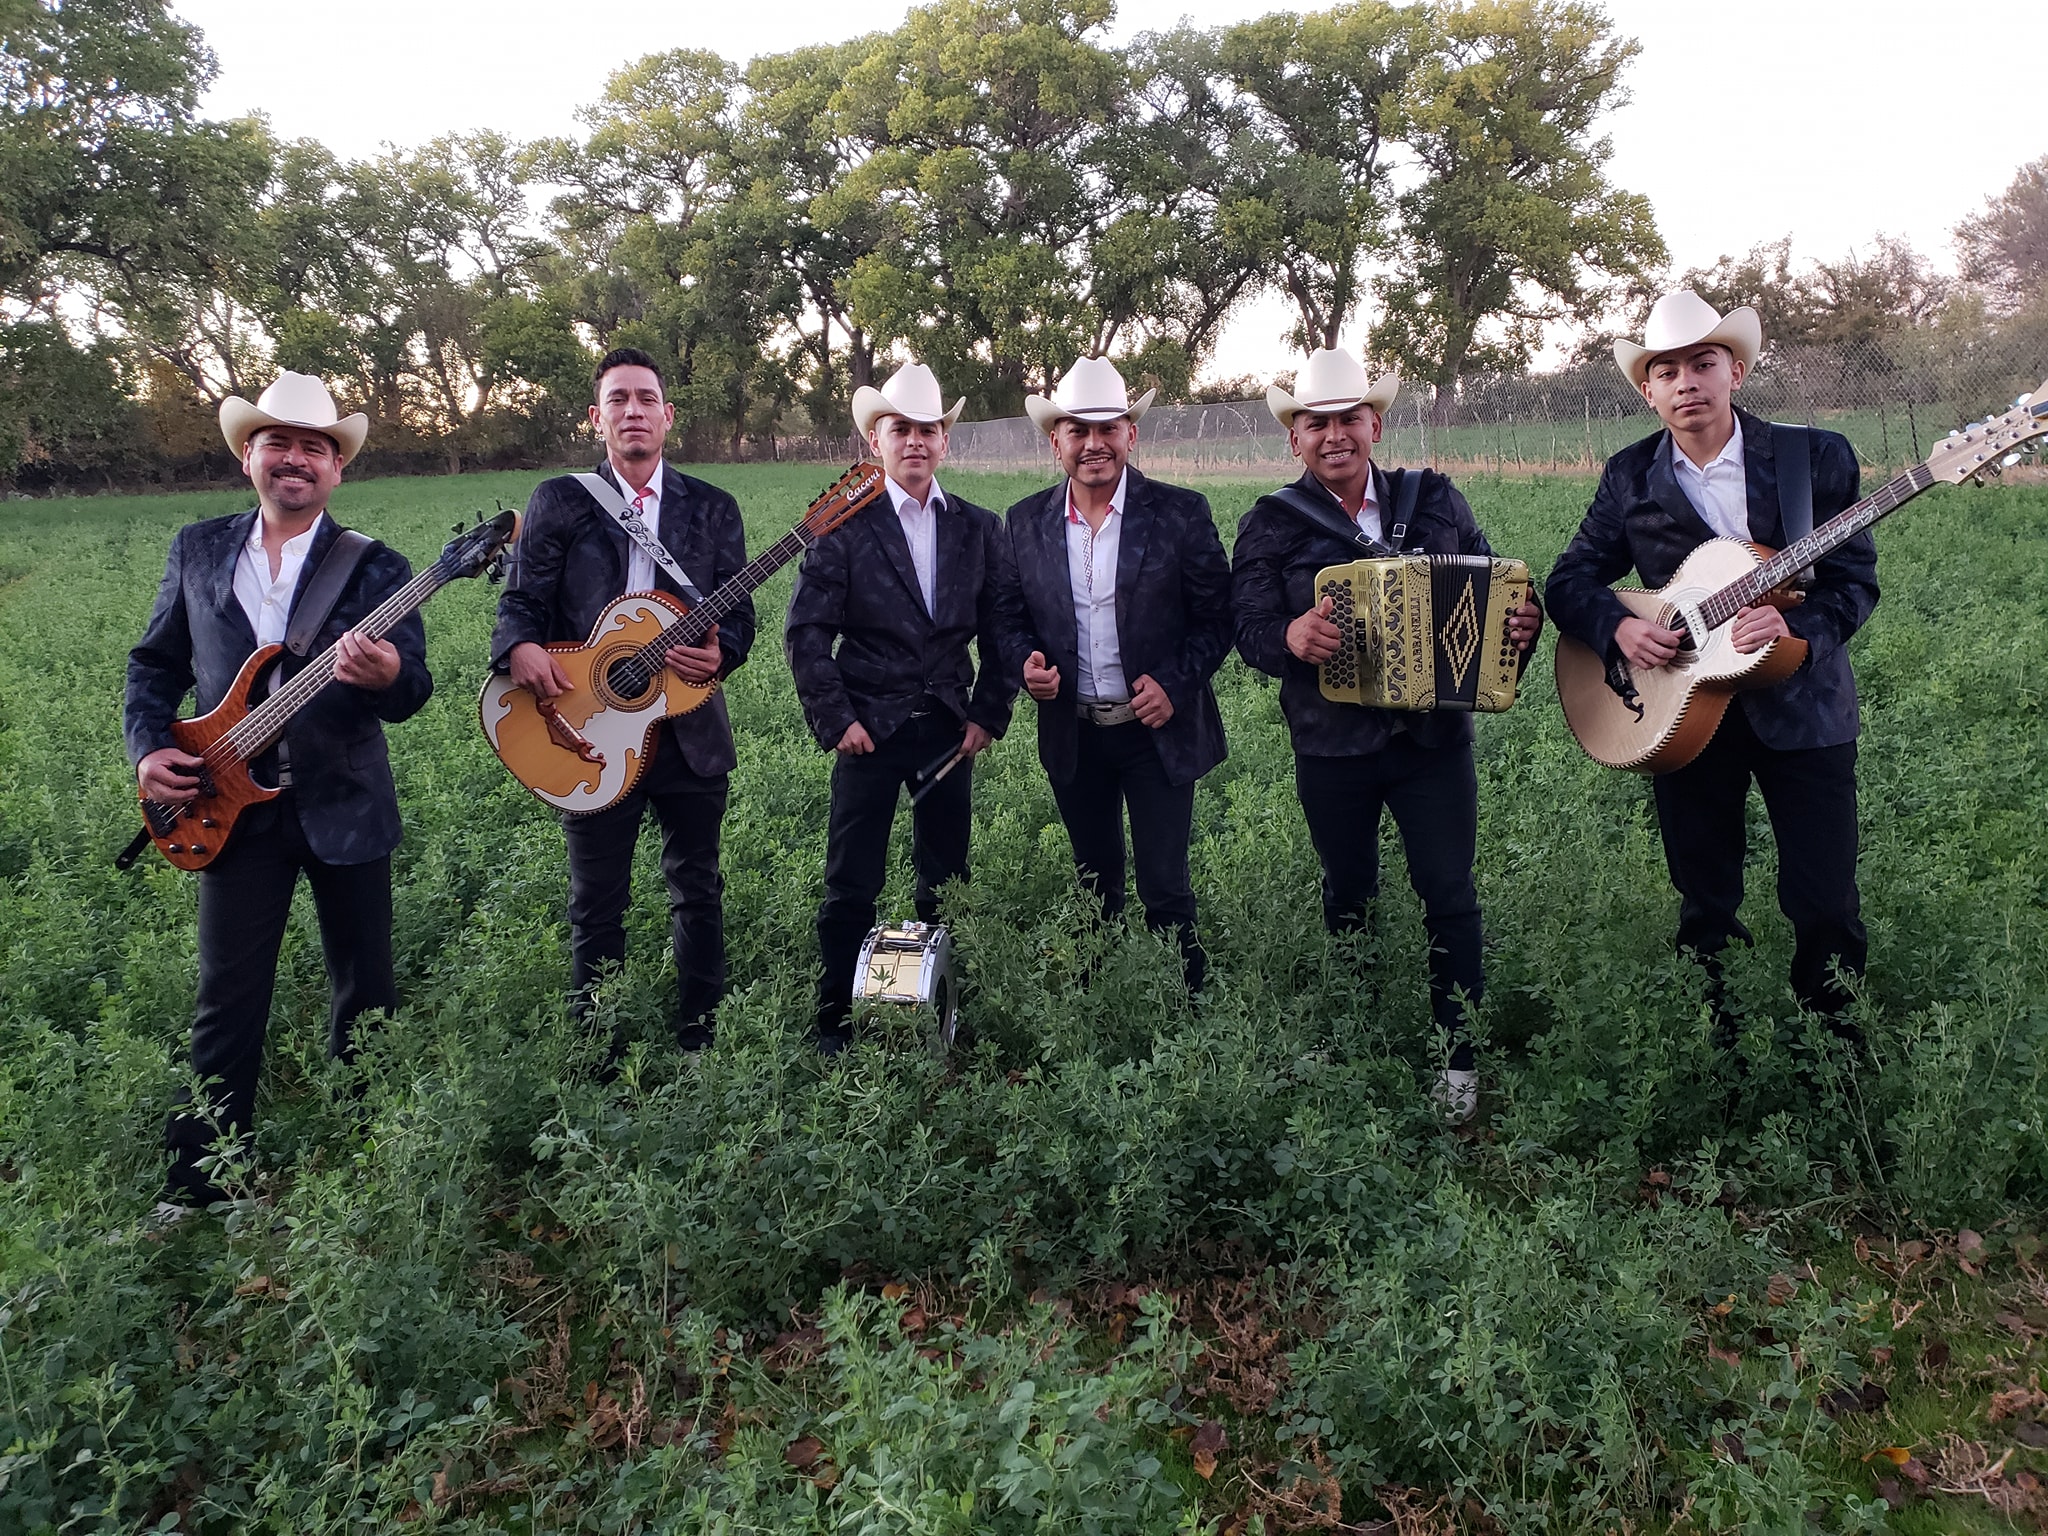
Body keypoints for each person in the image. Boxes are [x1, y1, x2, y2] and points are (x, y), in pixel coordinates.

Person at [126, 372, 433, 1208]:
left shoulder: (377, 568)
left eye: (314, 448)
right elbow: (154, 665)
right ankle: (200, 1185)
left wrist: (388, 672)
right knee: (227, 995)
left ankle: (371, 1165)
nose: (295, 459)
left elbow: (412, 693)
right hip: (227, 806)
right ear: (248, 456)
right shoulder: (197, 549)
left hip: (345, 802)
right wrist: (149, 749)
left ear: (337, 469)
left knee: (366, 990)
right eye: (278, 443)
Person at [1546, 291, 1874, 1034]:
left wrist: (1796, 627)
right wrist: (1618, 630)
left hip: (1804, 708)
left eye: (1703, 363)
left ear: (1736, 372)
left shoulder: (1813, 458)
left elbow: (1854, 584)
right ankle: (1718, 1047)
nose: (1687, 382)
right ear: (1648, 390)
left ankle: (1837, 1055)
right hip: (1685, 710)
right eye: (1667, 371)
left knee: (1825, 900)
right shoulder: (1630, 474)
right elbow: (1570, 580)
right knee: (1705, 902)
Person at [1231, 347, 1541, 1121]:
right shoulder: (1272, 522)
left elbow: (1496, 590)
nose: (1334, 435)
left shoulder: (1433, 500)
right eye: (1316, 423)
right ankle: (1358, 1041)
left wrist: (1520, 629)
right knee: (1349, 892)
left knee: (1450, 893)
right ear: (1294, 437)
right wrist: (1289, 638)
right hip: (1330, 745)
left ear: (1375, 424)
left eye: (1349, 419)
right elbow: (1248, 627)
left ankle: (1458, 1064)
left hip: (1433, 745)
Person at [490, 347, 755, 1053]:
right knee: (596, 901)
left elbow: (740, 617)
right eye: (618, 400)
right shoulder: (561, 500)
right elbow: (522, 600)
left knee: (697, 887)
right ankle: (597, 1050)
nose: (633, 411)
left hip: (687, 728)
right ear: (596, 417)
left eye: (646, 399)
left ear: (668, 416)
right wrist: (519, 648)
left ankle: (701, 1036)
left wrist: (722, 652)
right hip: (589, 727)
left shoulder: (713, 508)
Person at [785, 361, 1020, 1051]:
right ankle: (835, 1019)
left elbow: (1004, 629)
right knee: (850, 881)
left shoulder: (978, 528)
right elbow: (806, 634)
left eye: (927, 429)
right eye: (900, 430)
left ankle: (943, 1011)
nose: (914, 441)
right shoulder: (843, 528)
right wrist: (838, 721)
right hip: (869, 732)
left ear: (944, 440)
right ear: (876, 441)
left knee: (945, 878)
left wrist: (987, 714)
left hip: (948, 730)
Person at [1004, 356, 1232, 993]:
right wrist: (1024, 663)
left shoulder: (1181, 514)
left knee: (1165, 885)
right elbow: (1007, 616)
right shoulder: (1025, 522)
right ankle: (1095, 1003)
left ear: (1131, 434)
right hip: (1075, 730)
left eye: (1108, 428)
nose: (1094, 443)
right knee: (1093, 877)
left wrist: (1175, 683)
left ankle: (1184, 1006)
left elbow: (1219, 617)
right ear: (1055, 441)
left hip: (1154, 730)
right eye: (1078, 430)